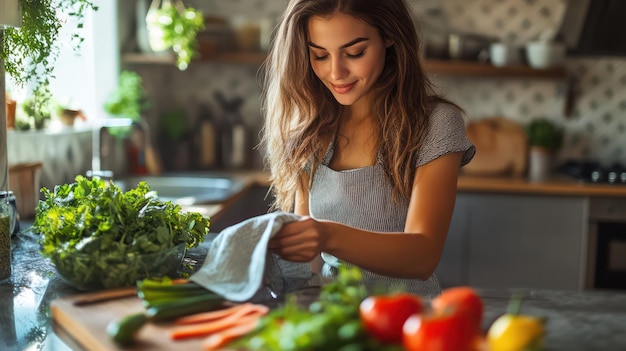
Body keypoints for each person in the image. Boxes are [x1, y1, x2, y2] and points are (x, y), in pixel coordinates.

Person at [263, 0, 475, 295]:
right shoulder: (311, 129)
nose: (336, 72)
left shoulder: (435, 123)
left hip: (409, 319)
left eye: (354, 53)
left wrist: (327, 235)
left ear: (389, 36)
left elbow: (423, 256)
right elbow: (307, 260)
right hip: (332, 316)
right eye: (320, 55)